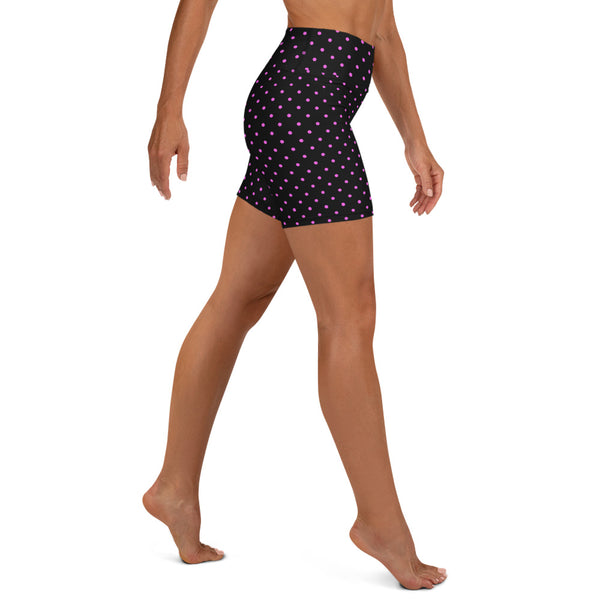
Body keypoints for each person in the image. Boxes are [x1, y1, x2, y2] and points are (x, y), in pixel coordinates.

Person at [143, 0, 446, 590]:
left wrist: (414, 138)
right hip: (307, 105)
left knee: (240, 296)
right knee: (349, 318)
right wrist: (169, 109)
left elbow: (381, 26)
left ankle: (174, 487)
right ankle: (381, 523)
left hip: (311, 104)